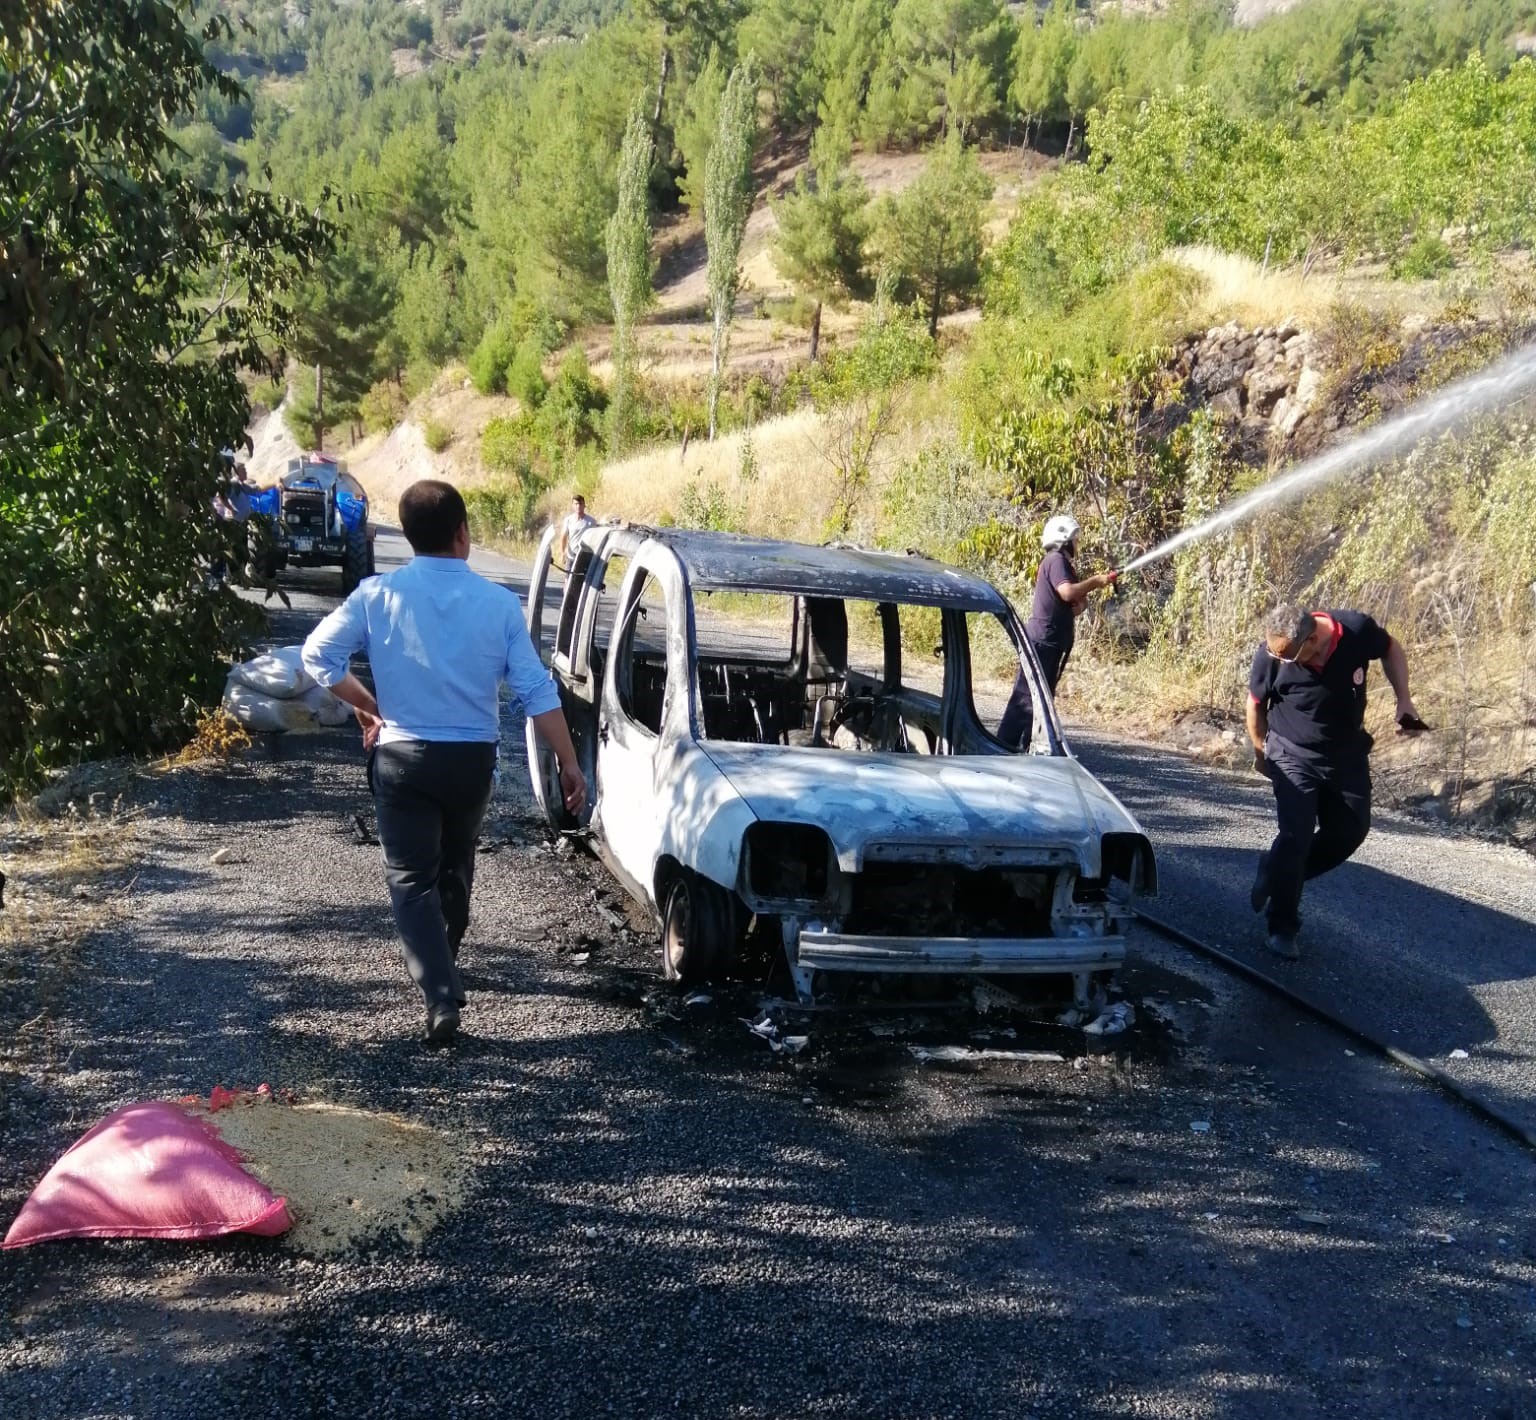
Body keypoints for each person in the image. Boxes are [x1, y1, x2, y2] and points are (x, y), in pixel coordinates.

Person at [302, 479, 588, 1043]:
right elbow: (536, 692)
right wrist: (569, 763)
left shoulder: (376, 595)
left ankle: (438, 992)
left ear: (408, 536)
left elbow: (318, 655)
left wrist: (368, 707)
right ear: (464, 533)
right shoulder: (499, 605)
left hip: (402, 757)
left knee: (410, 879)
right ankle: (444, 962)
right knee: (456, 866)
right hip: (470, 763)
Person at [1246, 603, 1425, 961]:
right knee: (1295, 837)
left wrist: (1404, 699)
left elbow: (1391, 649)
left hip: (1345, 755)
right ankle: (1282, 926)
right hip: (1291, 752)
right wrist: (1261, 752)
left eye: (1291, 659)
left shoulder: (1356, 631)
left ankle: (1277, 869)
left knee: (1350, 831)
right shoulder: (1273, 654)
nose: (1283, 664)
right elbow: (1255, 705)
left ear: (1313, 639)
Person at [996, 513, 1118, 750]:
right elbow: (1066, 592)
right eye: (1075, 539)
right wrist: (1094, 582)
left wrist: (1080, 603)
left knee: (1040, 700)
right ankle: (1002, 748)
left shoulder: (1058, 563)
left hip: (1050, 642)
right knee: (1025, 699)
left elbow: (1066, 605)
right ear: (1064, 539)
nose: (1077, 544)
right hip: (1044, 642)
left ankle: (1026, 747)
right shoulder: (1056, 560)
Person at [555, 494, 595, 572]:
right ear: (573, 506)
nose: (578, 506)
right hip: (571, 556)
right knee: (568, 580)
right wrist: (562, 553)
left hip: (585, 557)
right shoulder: (568, 520)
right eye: (576, 504)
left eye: (580, 504)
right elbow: (563, 536)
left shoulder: (591, 521)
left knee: (584, 581)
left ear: (584, 505)